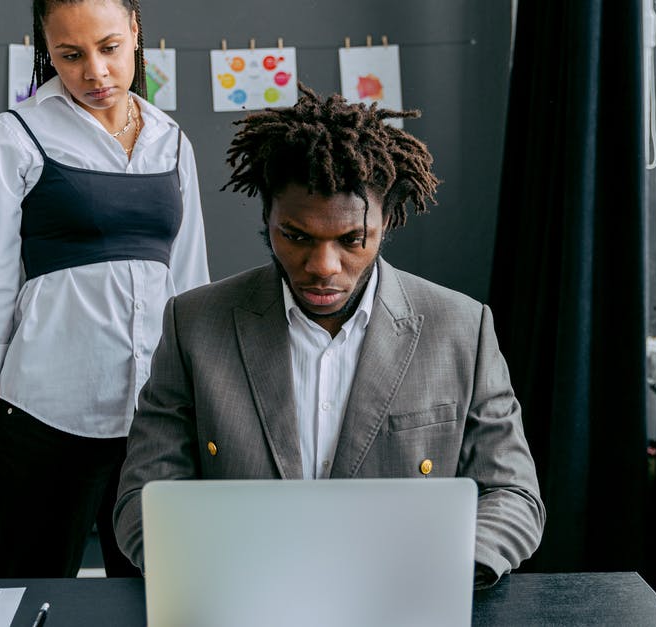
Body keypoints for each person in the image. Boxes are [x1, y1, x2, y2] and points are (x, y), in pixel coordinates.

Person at [113, 86, 544, 586]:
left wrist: (437, 570)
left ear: (386, 222)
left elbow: (513, 496)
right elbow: (143, 495)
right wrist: (214, 570)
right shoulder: (194, 324)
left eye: (351, 240)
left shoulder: (462, 329)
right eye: (295, 236)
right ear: (267, 219)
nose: (323, 267)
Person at [0, 0, 208, 578]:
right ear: (46, 50)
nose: (95, 73)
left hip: (153, 425)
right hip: (45, 420)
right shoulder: (13, 136)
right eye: (70, 55)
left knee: (159, 602)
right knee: (23, 595)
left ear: (134, 31)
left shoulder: (172, 140)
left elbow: (191, 292)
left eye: (109, 49)